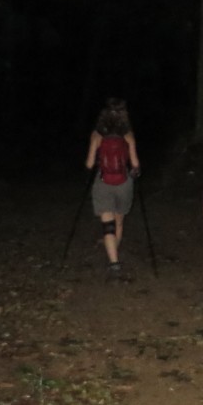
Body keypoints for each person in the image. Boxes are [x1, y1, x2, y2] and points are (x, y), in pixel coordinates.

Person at [85, 98, 140, 279]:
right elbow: (135, 164)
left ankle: (113, 262)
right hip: (123, 183)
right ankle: (114, 252)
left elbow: (89, 164)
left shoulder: (97, 134)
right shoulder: (128, 134)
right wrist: (135, 171)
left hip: (103, 183)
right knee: (119, 222)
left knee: (107, 225)